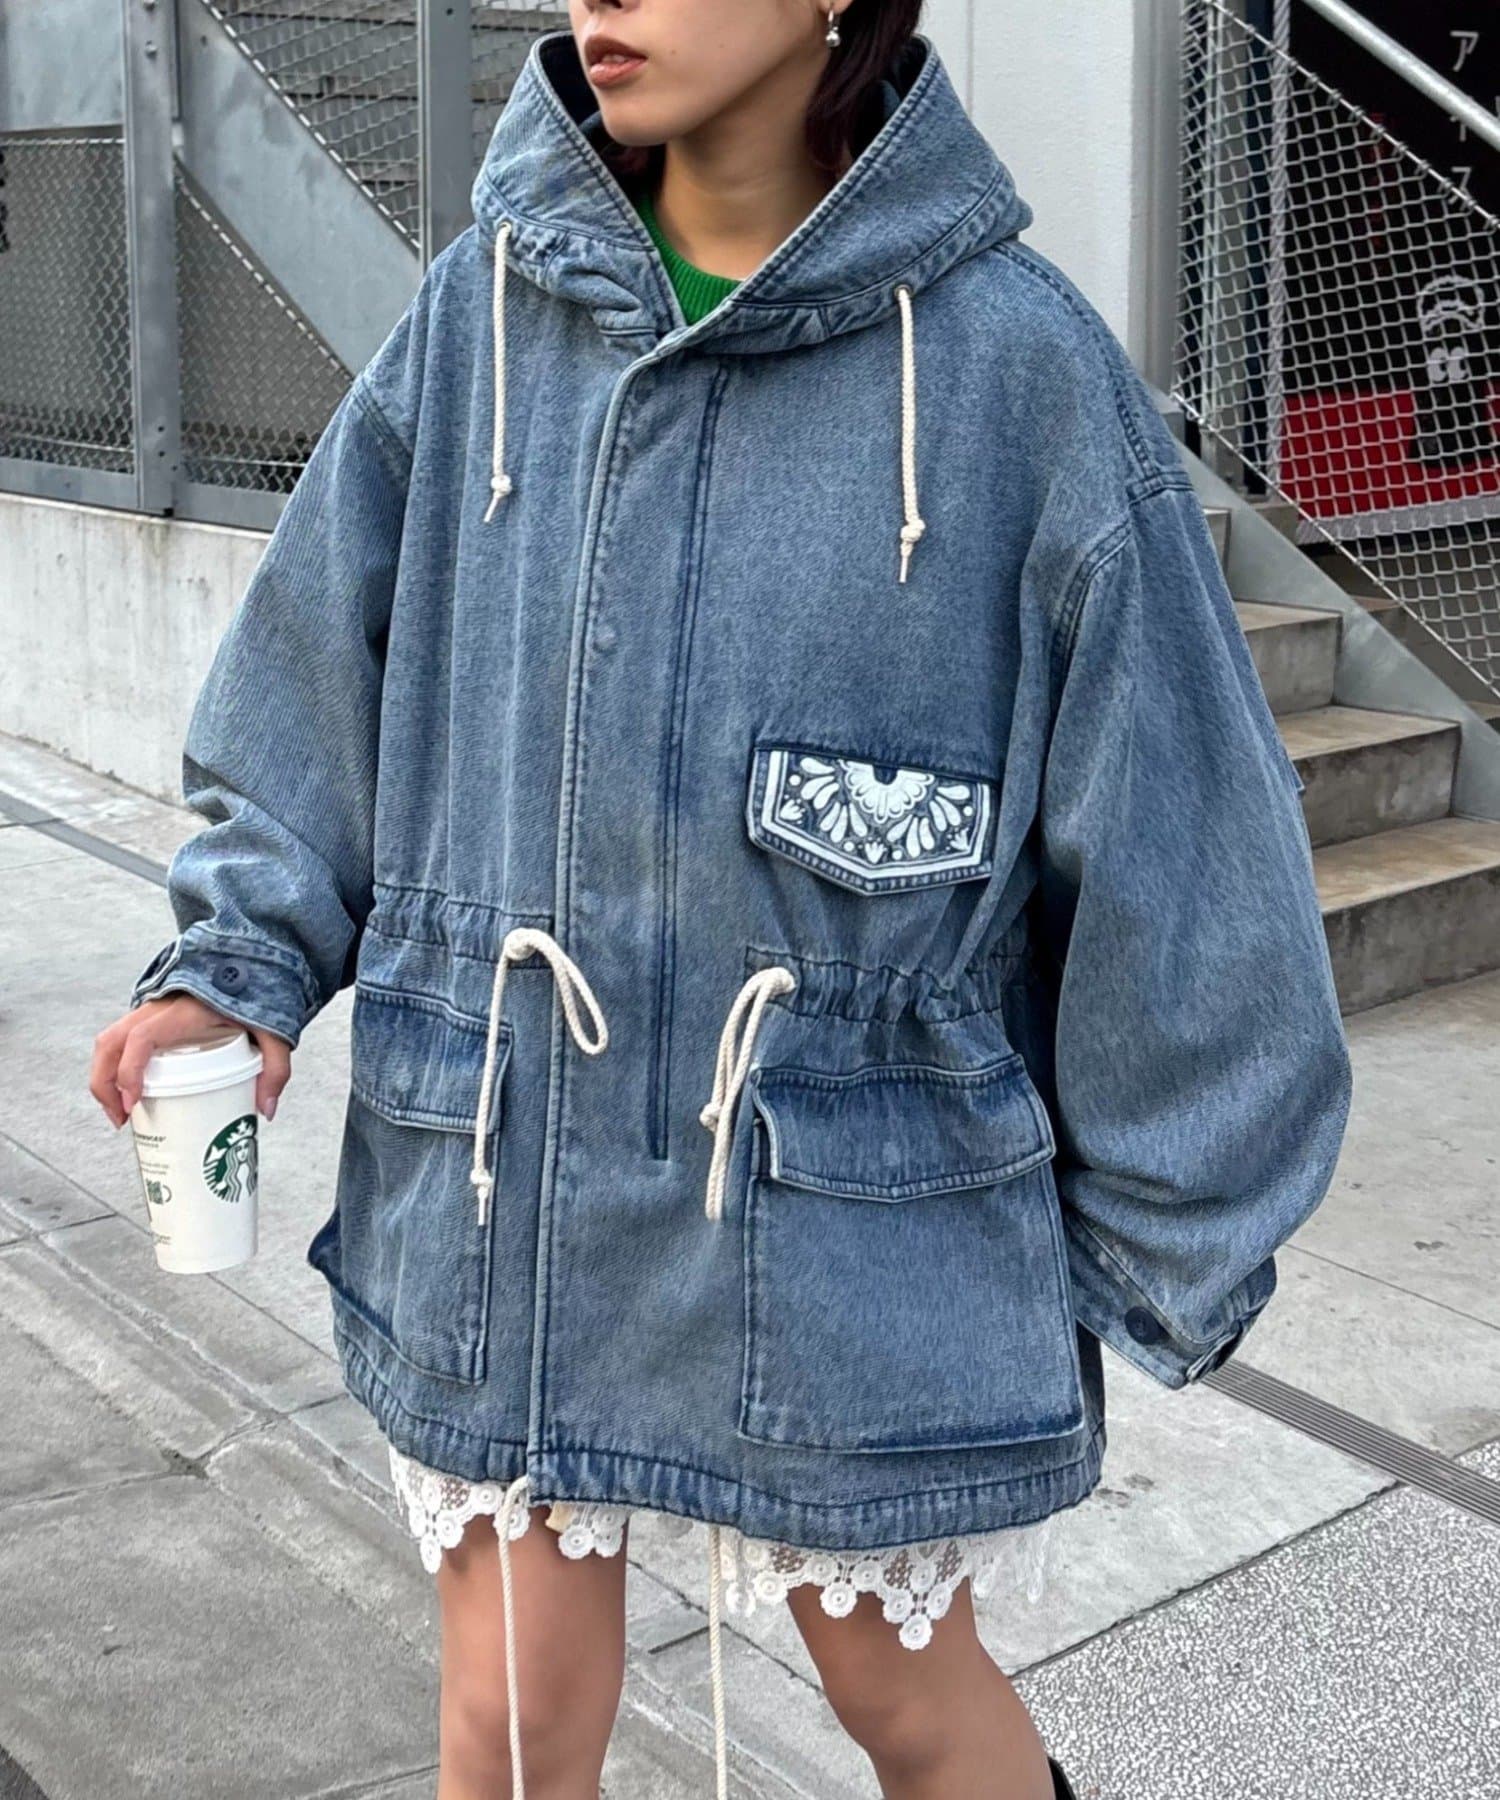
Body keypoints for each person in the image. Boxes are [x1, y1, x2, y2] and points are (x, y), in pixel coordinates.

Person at [91, 2, 1354, 1795]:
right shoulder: (482, 318)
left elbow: (1187, 833)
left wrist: (1157, 1235)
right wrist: (235, 961)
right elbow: (314, 673)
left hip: (847, 1197)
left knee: (906, 1699)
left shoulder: (1013, 369)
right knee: (509, 1721)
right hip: (508, 1167)